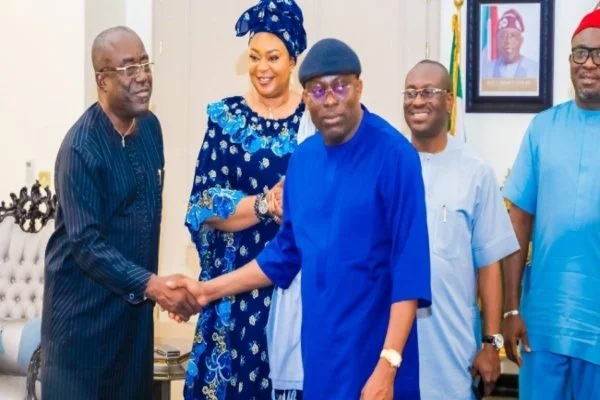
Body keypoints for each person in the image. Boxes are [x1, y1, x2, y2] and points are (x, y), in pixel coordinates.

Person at [173, 37, 431, 400]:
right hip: (321, 367)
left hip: (376, 368)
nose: (330, 99)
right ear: (306, 97)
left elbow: (409, 270)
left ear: (359, 88)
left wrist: (388, 366)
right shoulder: (304, 160)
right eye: (318, 90)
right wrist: (206, 291)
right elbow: (283, 255)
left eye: (340, 86)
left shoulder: (395, 156)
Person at [41, 26, 197, 399]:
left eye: (145, 63)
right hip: (81, 333)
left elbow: (149, 219)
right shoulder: (80, 149)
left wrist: (158, 291)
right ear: (102, 80)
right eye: (129, 68)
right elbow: (86, 245)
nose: (142, 76)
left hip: (133, 326)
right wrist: (154, 286)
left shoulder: (151, 129)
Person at [182, 1, 311, 398]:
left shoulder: (314, 118)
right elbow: (204, 204)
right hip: (232, 294)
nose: (262, 68)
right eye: (254, 57)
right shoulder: (225, 119)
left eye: (273, 57)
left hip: (296, 288)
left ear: (293, 59)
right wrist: (264, 204)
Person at [403, 60, 519, 400]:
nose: (417, 100)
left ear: (449, 101)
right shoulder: (389, 163)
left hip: (453, 348)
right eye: (410, 92)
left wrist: (491, 343)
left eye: (428, 92)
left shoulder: (475, 170)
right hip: (395, 344)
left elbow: (489, 264)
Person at [502, 9, 600, 400]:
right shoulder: (543, 128)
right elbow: (518, 222)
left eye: (599, 53)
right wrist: (511, 309)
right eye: (580, 53)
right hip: (542, 328)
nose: (588, 63)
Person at [482, 9, 538, 79]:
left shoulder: (535, 70)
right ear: (497, 40)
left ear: (521, 41)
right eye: (503, 36)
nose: (508, 41)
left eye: (513, 36)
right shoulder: (486, 71)